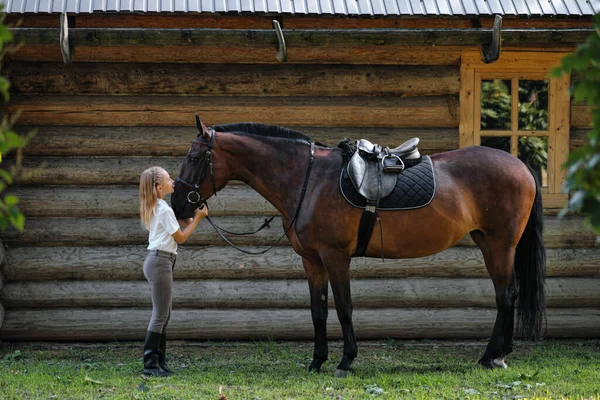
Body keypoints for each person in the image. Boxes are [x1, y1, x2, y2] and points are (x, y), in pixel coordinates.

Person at [139, 166, 208, 376]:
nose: (174, 182)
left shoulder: (159, 207)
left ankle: (159, 362)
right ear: (159, 188)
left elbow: (176, 227)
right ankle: (151, 365)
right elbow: (181, 238)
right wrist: (197, 218)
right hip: (160, 261)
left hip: (160, 261)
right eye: (169, 179)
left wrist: (188, 219)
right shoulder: (164, 209)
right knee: (160, 314)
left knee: (164, 314)